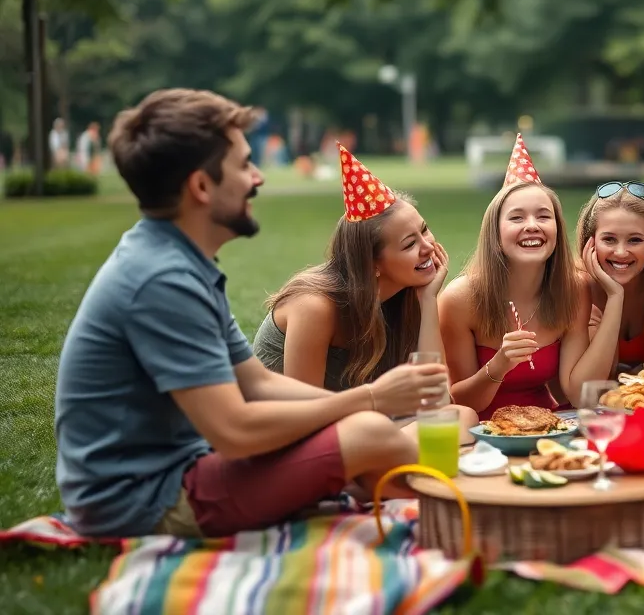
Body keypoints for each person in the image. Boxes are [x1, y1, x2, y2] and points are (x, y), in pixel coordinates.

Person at [54, 89, 447, 540]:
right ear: (202, 187)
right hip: (140, 501)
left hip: (175, 474)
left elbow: (258, 383)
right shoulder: (161, 279)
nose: (257, 176)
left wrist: (371, 409)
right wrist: (372, 400)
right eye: (244, 164)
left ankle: (432, 496)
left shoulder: (181, 262)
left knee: (374, 435)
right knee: (368, 436)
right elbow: (235, 431)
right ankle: (449, 506)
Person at [253, 144, 478, 435]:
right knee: (420, 432)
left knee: (461, 416)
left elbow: (437, 402)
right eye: (409, 244)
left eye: (424, 230)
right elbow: (305, 416)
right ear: (373, 265)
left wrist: (428, 300)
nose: (428, 247)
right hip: (290, 434)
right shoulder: (314, 306)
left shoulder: (408, 296)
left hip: (365, 428)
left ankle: (386, 452)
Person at [437, 134, 615, 418]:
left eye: (543, 217)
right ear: (495, 234)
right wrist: (498, 365)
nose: (532, 226)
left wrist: (615, 297)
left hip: (548, 425)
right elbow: (459, 402)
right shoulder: (459, 300)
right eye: (517, 218)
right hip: (481, 433)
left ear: (556, 229)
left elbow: (579, 394)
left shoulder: (573, 289)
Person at [574, 180, 644, 378]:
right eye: (609, 239)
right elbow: (592, 385)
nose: (621, 252)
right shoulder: (578, 289)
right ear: (591, 240)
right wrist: (614, 296)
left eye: (635, 240)